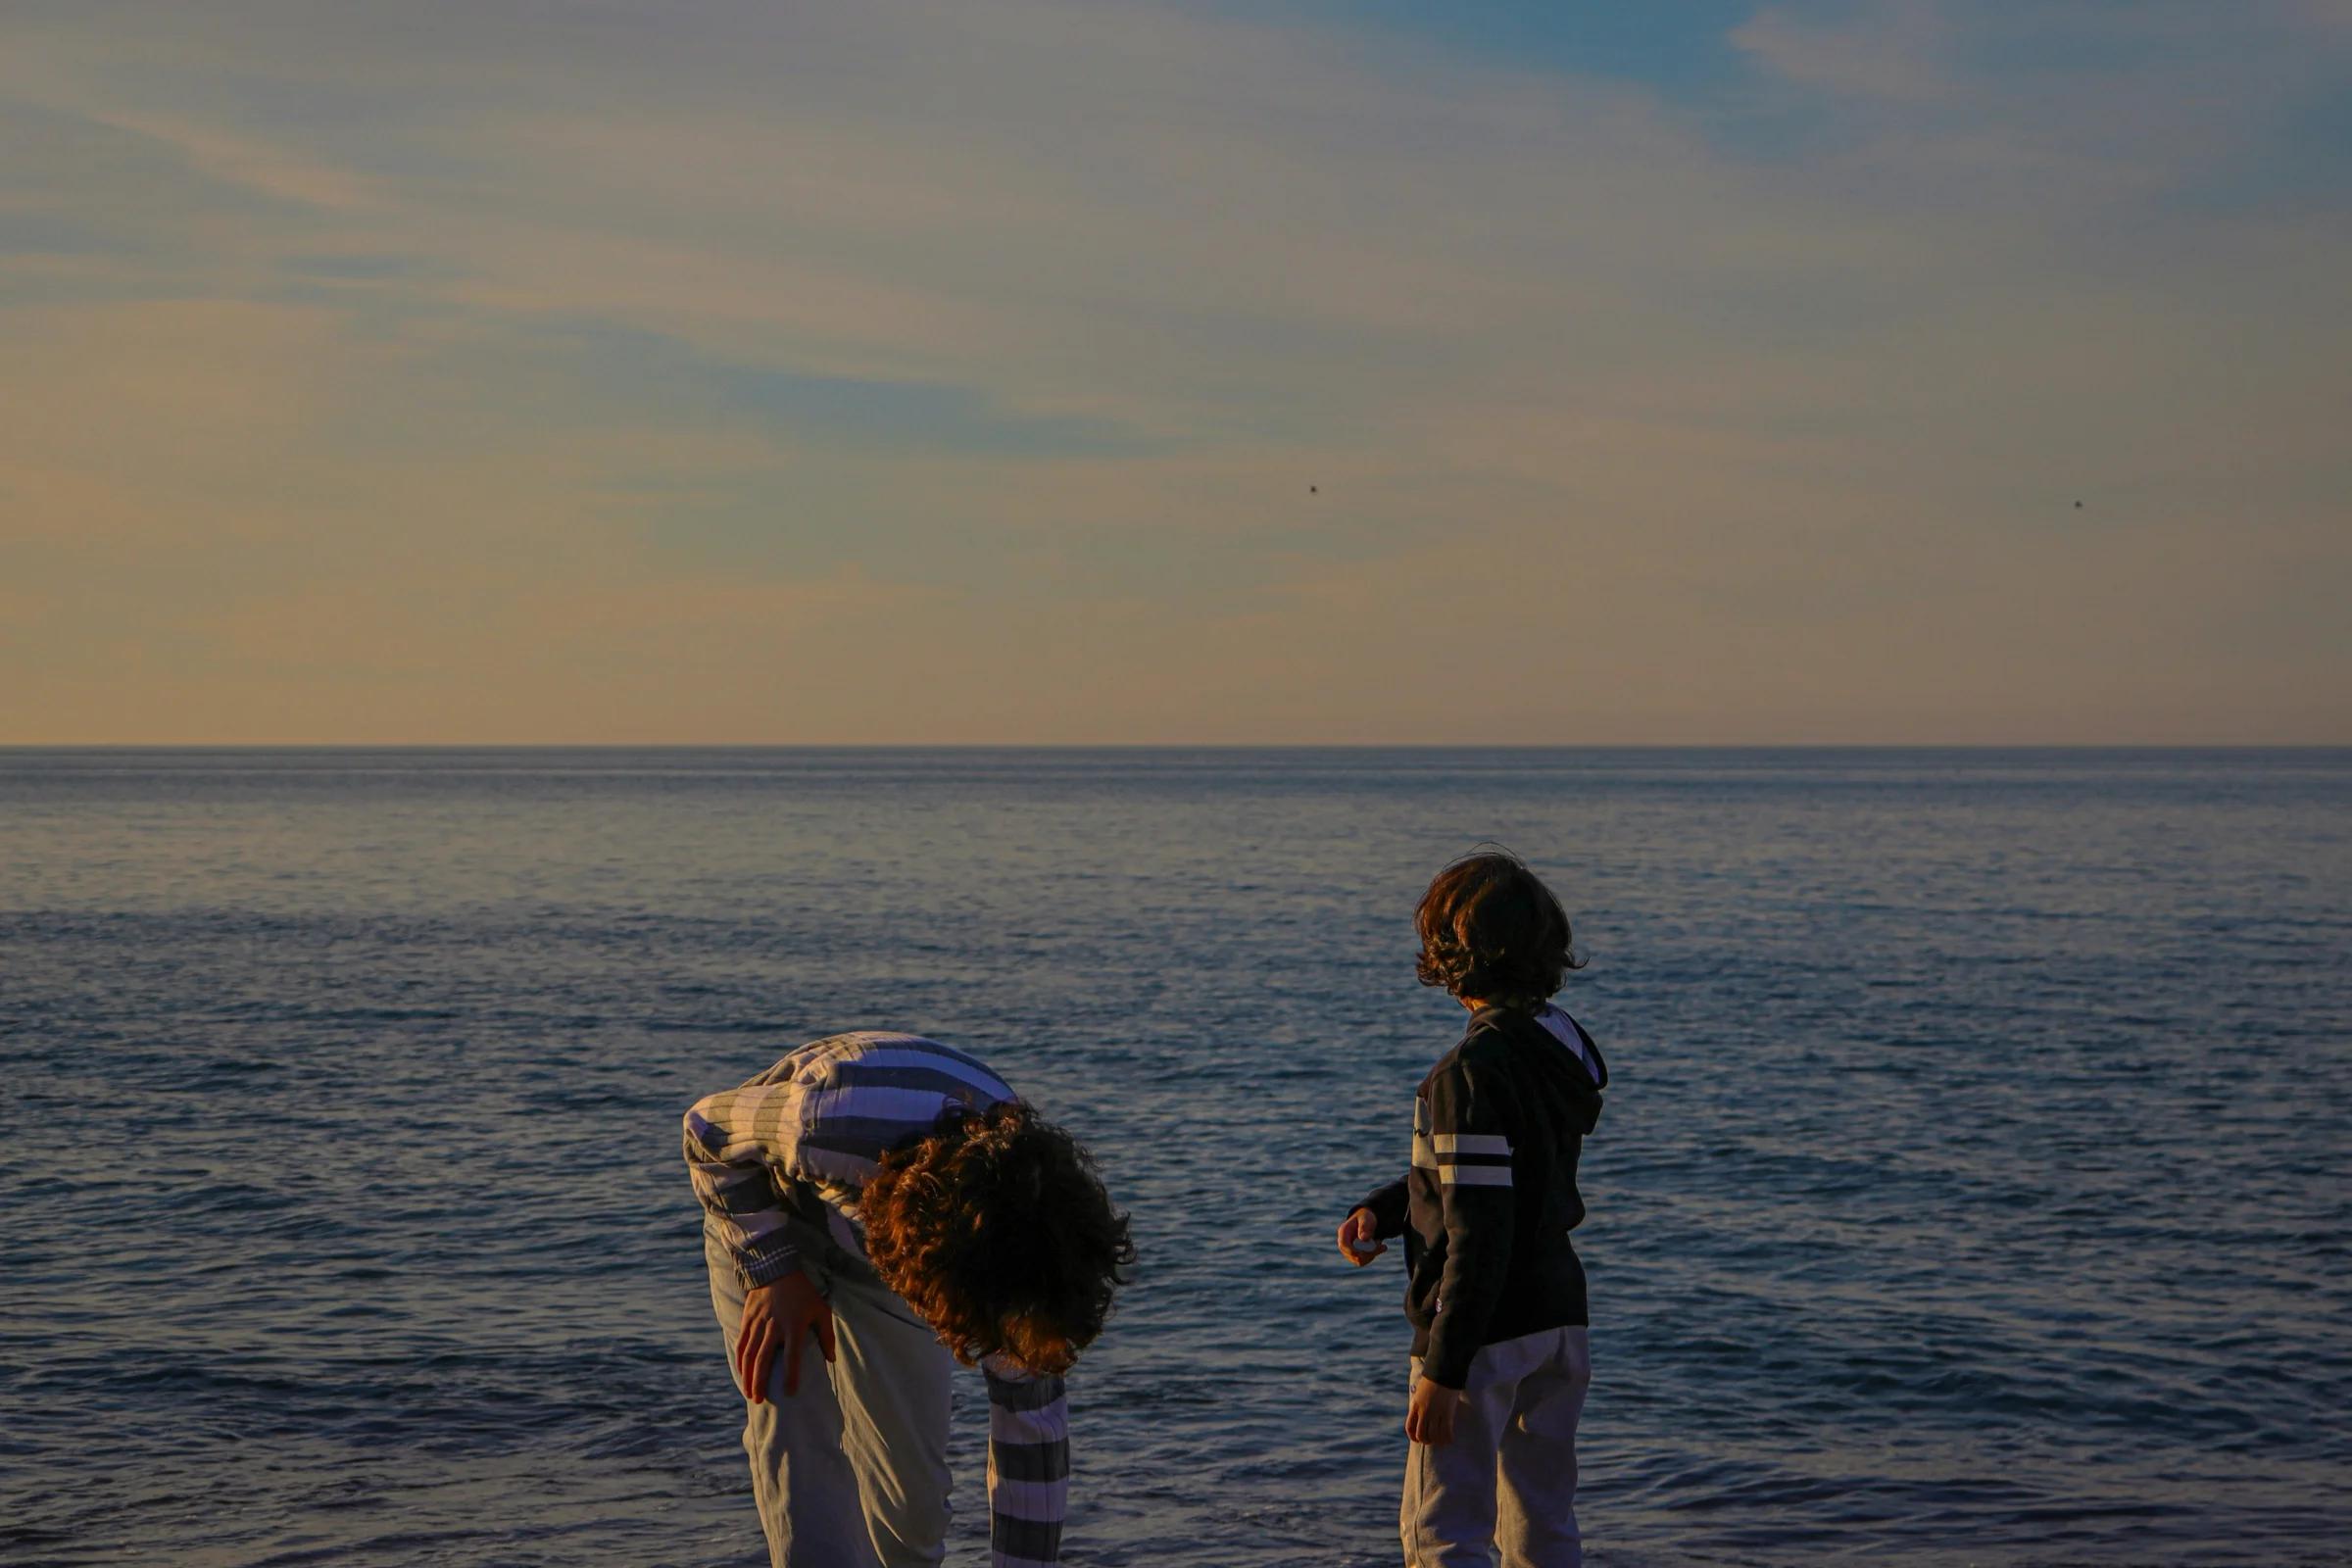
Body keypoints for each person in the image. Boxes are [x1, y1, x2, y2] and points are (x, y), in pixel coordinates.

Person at [684, 1030, 1133, 1568]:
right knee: (796, 1446)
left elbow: (1031, 1447)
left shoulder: (1033, 1258)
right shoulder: (826, 1120)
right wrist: (773, 1273)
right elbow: (707, 1129)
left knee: (911, 1501)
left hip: (902, 1239)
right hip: (772, 1221)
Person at [1336, 852, 1610, 1568]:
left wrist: (1443, 1369)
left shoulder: (1467, 1074)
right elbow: (1505, 1174)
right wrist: (1388, 1208)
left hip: (1484, 1331)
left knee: (1443, 1530)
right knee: (1542, 1520)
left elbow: (1480, 1231)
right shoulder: (1563, 1048)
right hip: (1558, 1317)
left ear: (1450, 957)